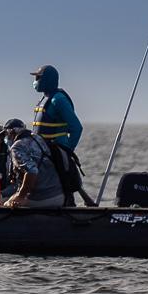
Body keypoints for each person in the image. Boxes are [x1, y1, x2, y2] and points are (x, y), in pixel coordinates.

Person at [31, 64, 91, 203]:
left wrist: (66, 151)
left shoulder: (58, 100)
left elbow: (76, 128)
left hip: (56, 152)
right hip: (42, 153)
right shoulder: (44, 99)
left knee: (65, 185)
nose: (35, 81)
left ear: (47, 79)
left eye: (38, 77)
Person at [1, 119, 65, 209]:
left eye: (6, 134)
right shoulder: (37, 138)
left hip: (41, 198)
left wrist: (20, 196)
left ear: (12, 132)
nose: (6, 138)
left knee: (5, 204)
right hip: (59, 195)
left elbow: (32, 171)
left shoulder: (17, 147)